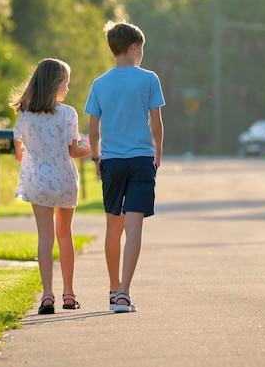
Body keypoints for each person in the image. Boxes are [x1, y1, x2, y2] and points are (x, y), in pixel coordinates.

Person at [84, 20, 165, 313]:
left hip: (112, 162)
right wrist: (158, 152)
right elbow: (156, 123)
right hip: (142, 160)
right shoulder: (149, 79)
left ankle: (112, 287)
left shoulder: (99, 83)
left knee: (112, 227)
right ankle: (124, 294)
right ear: (134, 47)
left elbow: (93, 131)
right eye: (141, 48)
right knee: (134, 228)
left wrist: (96, 159)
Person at [9, 58, 91, 315]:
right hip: (64, 180)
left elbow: (18, 152)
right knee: (64, 234)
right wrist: (94, 149)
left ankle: (47, 295)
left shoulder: (25, 114)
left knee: (45, 236)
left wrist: (33, 151)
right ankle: (69, 293)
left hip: (38, 182)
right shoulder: (68, 114)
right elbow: (73, 150)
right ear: (55, 83)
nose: (67, 88)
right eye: (66, 82)